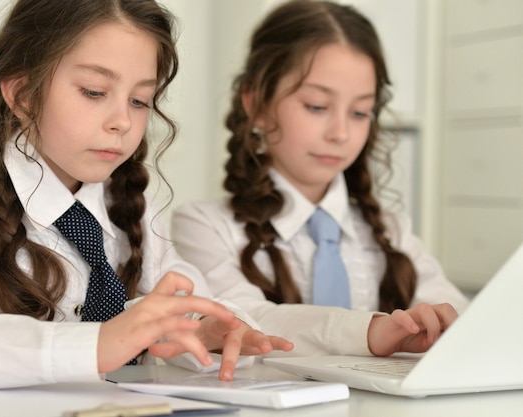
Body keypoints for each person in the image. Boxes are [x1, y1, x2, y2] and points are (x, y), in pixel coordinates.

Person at [0, 0, 294, 390]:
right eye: (93, 91)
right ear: (21, 94)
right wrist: (97, 344)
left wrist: (208, 332)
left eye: (139, 100)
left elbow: (194, 305)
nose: (122, 121)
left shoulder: (132, 209)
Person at [172, 0, 468, 358]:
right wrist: (370, 331)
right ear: (257, 103)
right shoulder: (205, 227)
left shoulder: (392, 232)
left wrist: (442, 324)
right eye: (316, 106)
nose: (341, 132)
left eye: (360, 112)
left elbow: (462, 320)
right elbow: (246, 320)